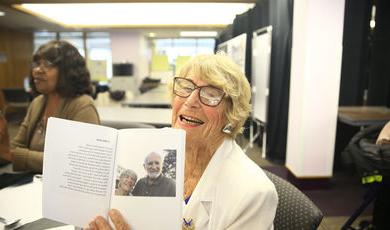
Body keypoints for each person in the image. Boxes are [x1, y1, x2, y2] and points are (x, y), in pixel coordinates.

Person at [87, 54, 278, 230]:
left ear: (232, 115)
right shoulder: (151, 146)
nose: (190, 101)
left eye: (211, 94)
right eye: (186, 88)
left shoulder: (253, 194)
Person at [0, 40, 100, 173]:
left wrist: (14, 155)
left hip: (63, 189)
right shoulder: (37, 103)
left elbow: (80, 162)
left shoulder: (82, 105)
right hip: (30, 184)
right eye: (36, 64)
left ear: (68, 71)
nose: (37, 70)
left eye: (48, 64)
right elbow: (14, 148)